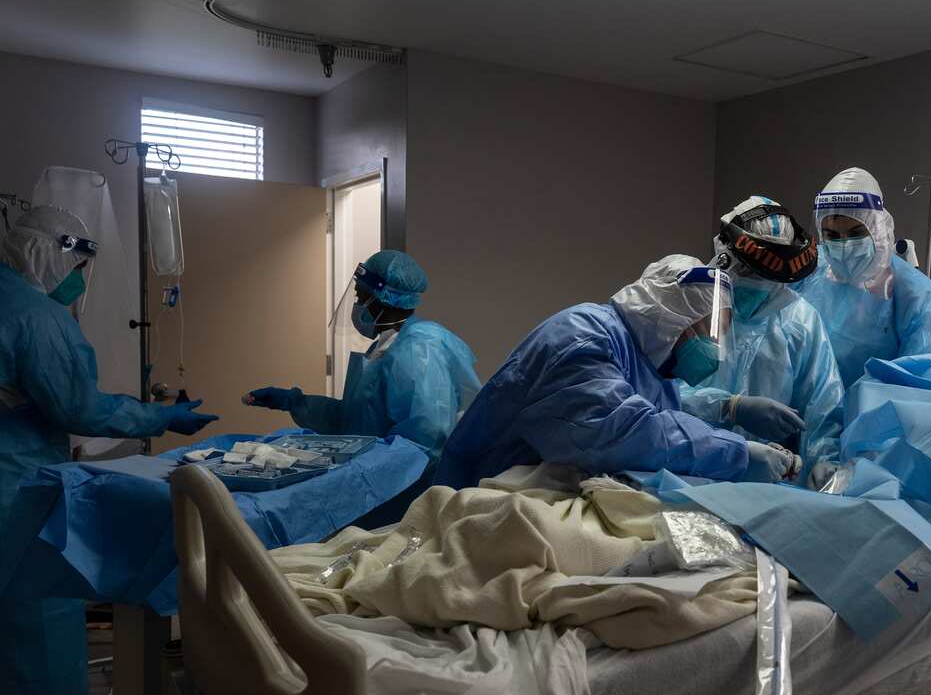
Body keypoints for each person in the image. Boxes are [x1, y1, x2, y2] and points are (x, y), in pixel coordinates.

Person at [0, 206, 217, 695]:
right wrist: (161, 418)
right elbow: (78, 406)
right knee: (35, 603)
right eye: (76, 261)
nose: (77, 277)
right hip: (15, 482)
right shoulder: (35, 317)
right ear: (49, 251)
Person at [434, 255, 798, 489]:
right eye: (705, 331)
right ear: (670, 318)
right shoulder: (580, 337)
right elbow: (627, 431)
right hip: (487, 494)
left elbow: (659, 411)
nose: (711, 347)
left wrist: (728, 407)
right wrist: (738, 453)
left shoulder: (643, 356)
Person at [245, 249, 481, 479]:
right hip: (381, 480)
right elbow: (354, 421)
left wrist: (361, 475)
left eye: (360, 297)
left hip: (403, 490)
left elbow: (424, 440)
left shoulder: (417, 350)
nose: (356, 305)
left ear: (383, 298)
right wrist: (294, 402)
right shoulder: (386, 348)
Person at [677, 196, 845, 490]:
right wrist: (728, 407)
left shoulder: (800, 322)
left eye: (766, 277)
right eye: (747, 272)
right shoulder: (688, 302)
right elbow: (651, 392)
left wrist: (823, 459)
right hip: (683, 466)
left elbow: (824, 404)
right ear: (725, 254)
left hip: (765, 483)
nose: (757, 284)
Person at [799, 167, 931, 389]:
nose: (843, 246)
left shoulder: (917, 295)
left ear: (877, 228)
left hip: (876, 416)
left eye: (855, 233)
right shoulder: (808, 274)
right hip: (803, 418)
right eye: (832, 235)